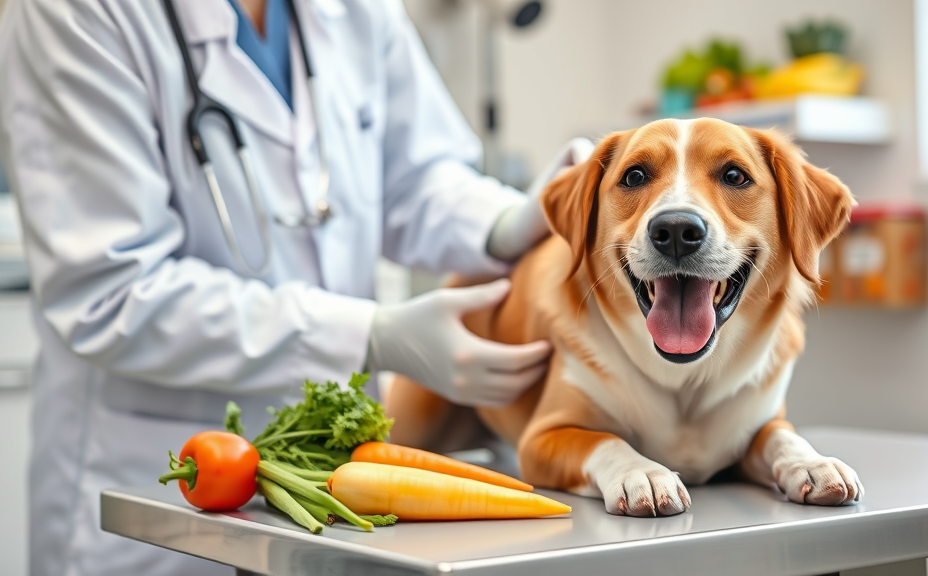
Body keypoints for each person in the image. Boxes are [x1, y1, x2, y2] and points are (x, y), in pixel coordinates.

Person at [0, 0, 594, 574]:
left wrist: (504, 223)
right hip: (154, 490)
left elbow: (418, 178)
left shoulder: (355, 9)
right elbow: (113, 291)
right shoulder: (75, 10)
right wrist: (368, 334)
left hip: (329, 482)